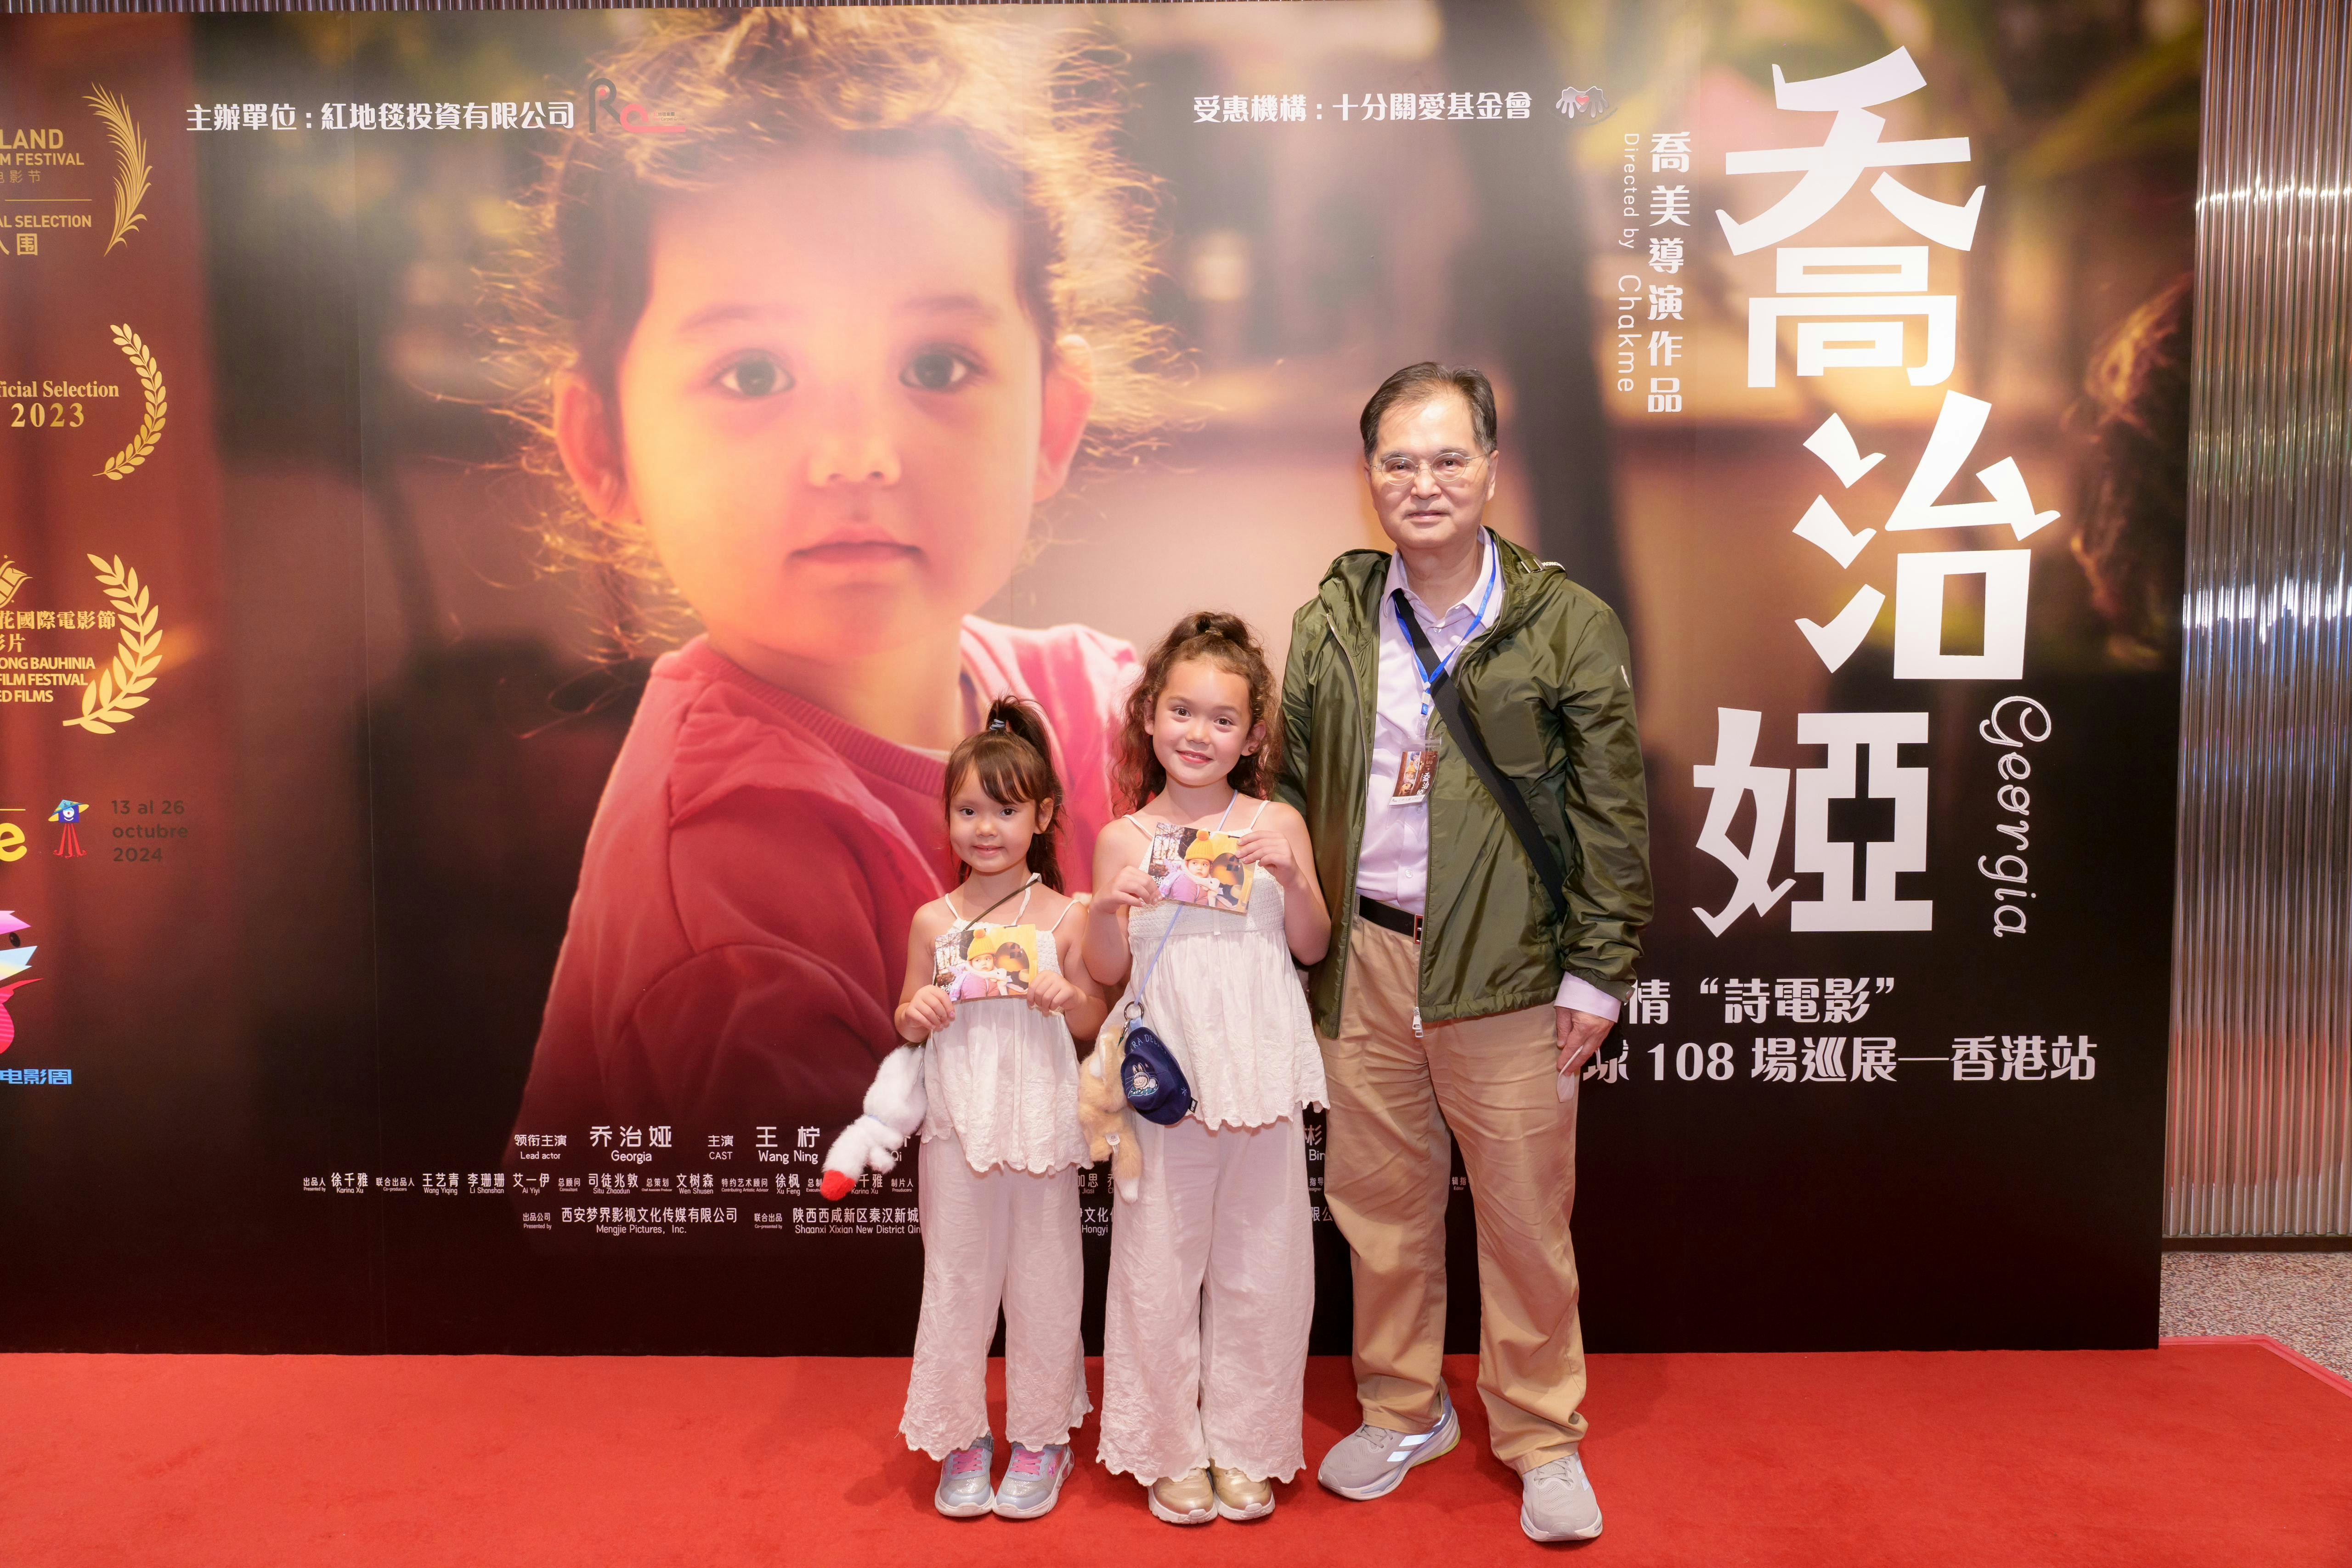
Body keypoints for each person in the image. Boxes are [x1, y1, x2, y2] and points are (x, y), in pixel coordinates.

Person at [496, 10, 1168, 1150]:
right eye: (755, 373)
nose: (857, 453)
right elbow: (857, 1255)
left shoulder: (1097, 709)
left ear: (1052, 423)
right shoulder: (732, 889)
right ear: (606, 445)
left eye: (935, 365)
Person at [1275, 363, 1651, 1543]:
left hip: (1512, 967)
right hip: (1368, 957)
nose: (1423, 483)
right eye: (1399, 461)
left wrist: (1598, 972)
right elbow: (1291, 785)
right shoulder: (1334, 619)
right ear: (1369, 475)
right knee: (1378, 1211)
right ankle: (1402, 1407)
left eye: (1448, 459)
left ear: (1490, 466)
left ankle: (1541, 1435)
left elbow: (1612, 816)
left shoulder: (1564, 622)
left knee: (1525, 1219)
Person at [1084, 612, 1331, 1526]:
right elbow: (1106, 971)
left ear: (1253, 736)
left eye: (1222, 720)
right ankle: (1166, 1448)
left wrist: (1293, 877)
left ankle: (1247, 1444)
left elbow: (1313, 945)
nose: (1199, 734)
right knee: (1156, 1265)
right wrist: (1107, 908)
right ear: (1150, 716)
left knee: (1265, 1266)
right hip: (1165, 1083)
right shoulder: (1123, 836)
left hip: (1258, 1074)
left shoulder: (1276, 822)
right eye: (1182, 712)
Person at [891, 698, 1108, 1521]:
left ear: (1042, 816)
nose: (986, 828)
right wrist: (917, 1013)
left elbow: (1092, 1019)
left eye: (1007, 811)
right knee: (955, 1279)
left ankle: (1043, 1435)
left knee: (1047, 1279)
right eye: (969, 810)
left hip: (1041, 1123)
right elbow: (906, 1013)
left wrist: (1068, 995)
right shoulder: (932, 920)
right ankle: (962, 1435)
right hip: (958, 1129)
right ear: (948, 816)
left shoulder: (1067, 914)